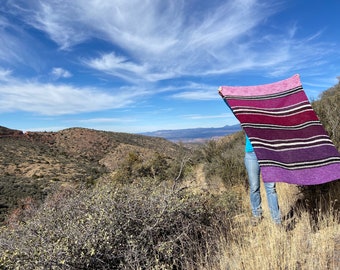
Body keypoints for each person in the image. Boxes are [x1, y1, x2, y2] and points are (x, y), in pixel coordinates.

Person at [244, 135, 281, 225]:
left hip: (267, 153)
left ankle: (276, 219)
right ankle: (257, 215)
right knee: (254, 187)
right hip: (251, 153)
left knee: (271, 188)